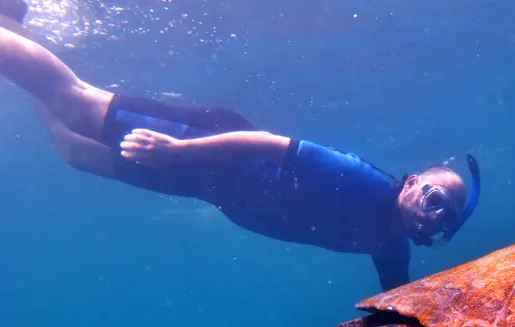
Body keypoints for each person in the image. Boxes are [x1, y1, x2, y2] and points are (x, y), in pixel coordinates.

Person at [0, 0, 481, 291]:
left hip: (206, 182)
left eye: (449, 219)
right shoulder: (363, 184)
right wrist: (177, 150)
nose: (437, 217)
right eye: (436, 200)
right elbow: (273, 144)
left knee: (77, 152)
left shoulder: (391, 247)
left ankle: (11, 26)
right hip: (204, 148)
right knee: (77, 104)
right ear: (412, 183)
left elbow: (398, 302)